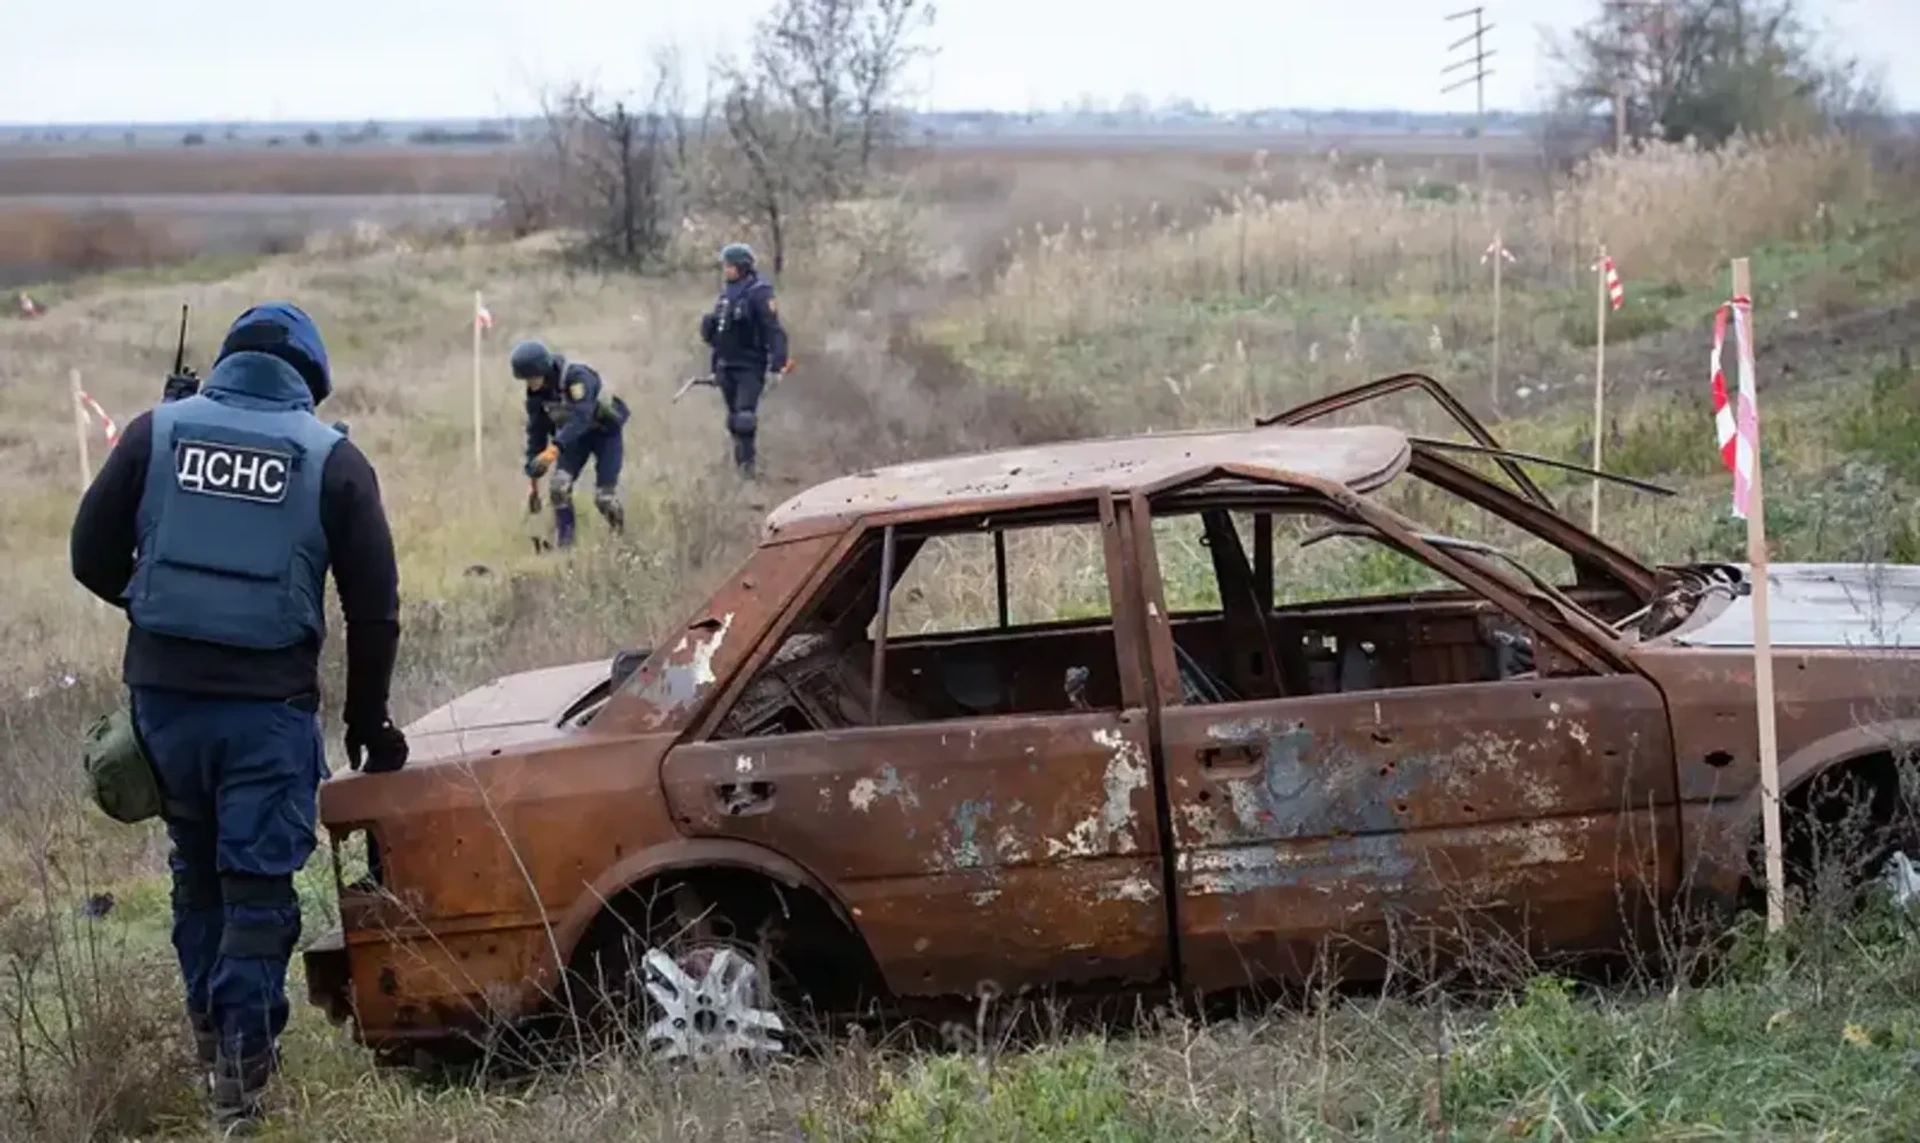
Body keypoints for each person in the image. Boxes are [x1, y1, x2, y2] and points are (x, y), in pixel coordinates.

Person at [69, 301, 405, 1132]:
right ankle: (240, 1084)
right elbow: (375, 610)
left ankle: (211, 1038)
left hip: (165, 713)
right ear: (310, 380)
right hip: (265, 716)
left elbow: (88, 555)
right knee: (256, 895)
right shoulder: (334, 460)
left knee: (197, 875)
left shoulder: (155, 431)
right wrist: (368, 720)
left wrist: (161, 605)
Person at [511, 339, 629, 548]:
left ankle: (619, 538)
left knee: (604, 498)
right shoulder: (536, 396)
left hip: (605, 435)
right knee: (559, 488)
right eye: (526, 380)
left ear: (544, 370)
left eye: (532, 377)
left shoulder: (577, 378)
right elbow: (536, 432)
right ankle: (565, 545)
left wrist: (555, 448)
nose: (530, 383)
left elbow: (582, 416)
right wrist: (533, 474)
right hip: (574, 440)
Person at [699, 242, 789, 478]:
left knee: (745, 416)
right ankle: (740, 462)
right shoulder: (726, 295)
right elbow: (720, 334)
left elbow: (774, 330)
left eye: (729, 266)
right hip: (727, 365)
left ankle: (747, 469)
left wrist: (778, 364)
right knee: (733, 419)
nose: (725, 270)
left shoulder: (760, 292)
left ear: (741, 267)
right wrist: (714, 367)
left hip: (751, 365)